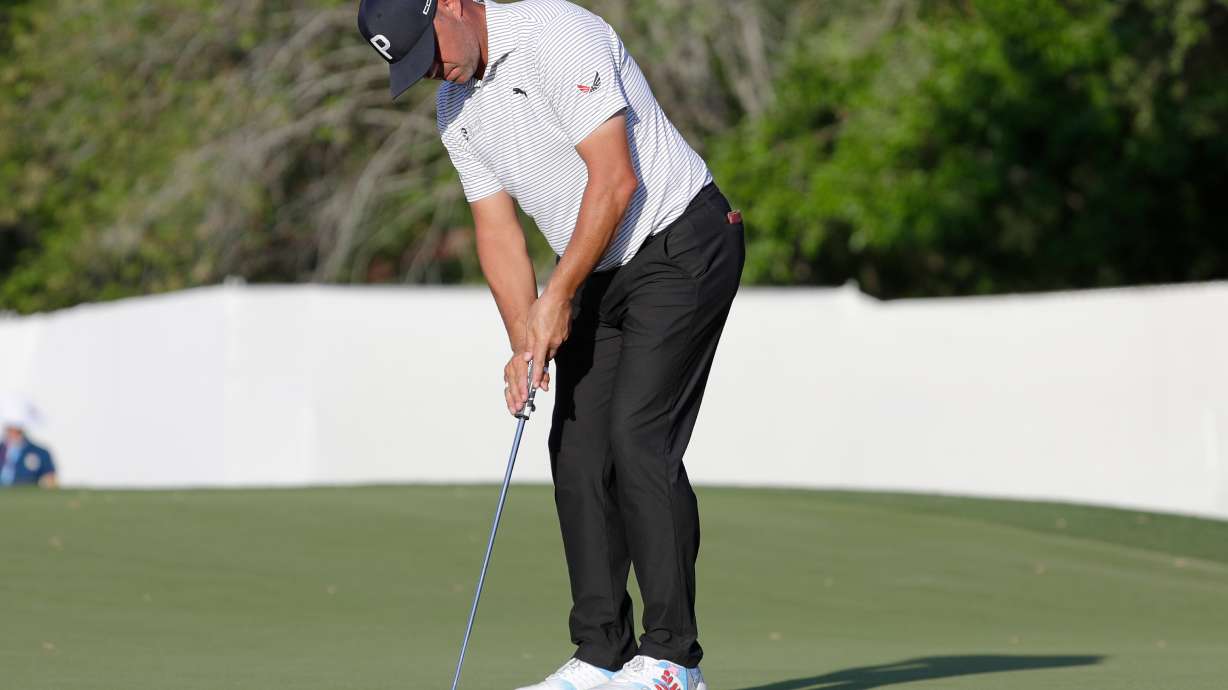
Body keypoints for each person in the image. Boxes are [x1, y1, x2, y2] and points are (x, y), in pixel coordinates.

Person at [357, 1, 744, 689]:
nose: (432, 72)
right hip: (597, 267)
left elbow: (616, 180)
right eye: (413, 68)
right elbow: (497, 231)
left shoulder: (555, 34)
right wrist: (523, 341)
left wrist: (555, 298)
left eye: (430, 50)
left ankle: (673, 663)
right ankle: (601, 657)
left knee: (637, 440)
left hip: (682, 242)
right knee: (576, 453)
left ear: (450, 4)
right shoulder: (456, 106)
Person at [0, 422, 58, 488]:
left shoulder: (39, 452)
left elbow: (50, 477)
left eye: (17, 431)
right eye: (10, 430)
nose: (13, 434)